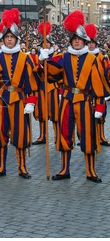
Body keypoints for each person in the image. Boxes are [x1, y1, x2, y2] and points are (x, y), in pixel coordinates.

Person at [39, 10, 107, 183]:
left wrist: (100, 105)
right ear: (71, 40)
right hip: (67, 101)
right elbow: (51, 75)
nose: (77, 41)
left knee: (88, 136)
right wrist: (44, 61)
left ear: (84, 41)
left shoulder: (93, 60)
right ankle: (64, 169)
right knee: (64, 134)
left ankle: (90, 170)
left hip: (85, 102)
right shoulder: (64, 56)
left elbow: (98, 85)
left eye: (80, 39)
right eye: (74, 39)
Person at [0, 8, 38, 179]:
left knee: (20, 134)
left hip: (20, 99)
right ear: (3, 40)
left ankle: (22, 167)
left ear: (16, 39)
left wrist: (31, 100)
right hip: (1, 99)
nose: (9, 40)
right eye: (7, 37)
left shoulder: (25, 58)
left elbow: (32, 81)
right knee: (0, 133)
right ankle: (1, 167)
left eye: (12, 37)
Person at [85, 23, 110, 146]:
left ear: (96, 44)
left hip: (100, 90)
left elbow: (107, 74)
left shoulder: (102, 58)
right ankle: (90, 137)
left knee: (101, 115)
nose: (90, 44)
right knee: (88, 115)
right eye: (89, 42)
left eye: (92, 43)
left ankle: (101, 137)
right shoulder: (83, 58)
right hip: (87, 91)